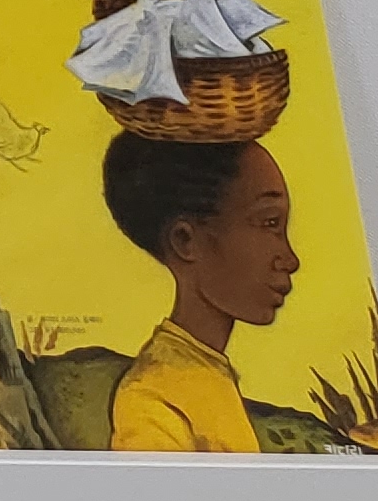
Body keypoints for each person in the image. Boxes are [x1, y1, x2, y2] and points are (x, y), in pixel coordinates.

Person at [100, 135, 299, 452]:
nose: (290, 260)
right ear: (185, 241)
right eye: (269, 223)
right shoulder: (151, 402)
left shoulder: (205, 370)